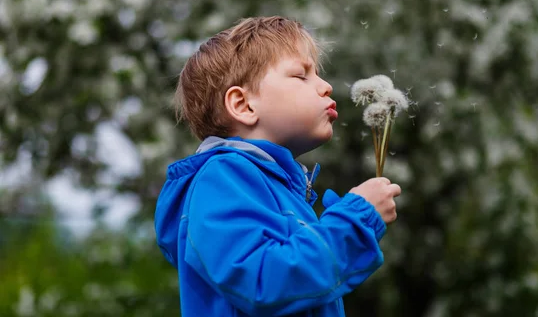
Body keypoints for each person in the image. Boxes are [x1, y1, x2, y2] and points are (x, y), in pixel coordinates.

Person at [154, 16, 401, 316]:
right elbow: (262, 282)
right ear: (244, 106)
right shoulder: (222, 178)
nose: (326, 86)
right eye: (301, 75)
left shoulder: (276, 190)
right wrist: (355, 221)